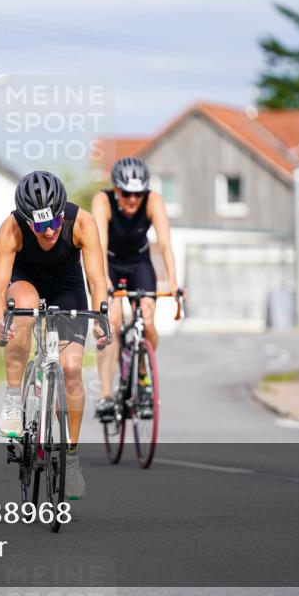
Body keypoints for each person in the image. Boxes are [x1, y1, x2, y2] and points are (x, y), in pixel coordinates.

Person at [0, 170, 110, 500]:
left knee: (71, 370)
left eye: (55, 222)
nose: (49, 231)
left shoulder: (82, 222)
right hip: (25, 280)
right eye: (40, 225)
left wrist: (101, 317)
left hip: (67, 286)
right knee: (22, 310)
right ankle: (13, 401)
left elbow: (97, 279)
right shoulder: (11, 228)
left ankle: (71, 458)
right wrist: (1, 320)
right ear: (27, 221)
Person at [91, 157, 181, 421]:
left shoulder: (154, 201)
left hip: (139, 263)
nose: (133, 199)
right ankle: (106, 395)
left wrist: (173, 282)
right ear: (116, 189)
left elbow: (165, 244)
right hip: (108, 263)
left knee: (148, 321)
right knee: (111, 323)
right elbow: (98, 245)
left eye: (138, 194)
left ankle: (143, 377)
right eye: (126, 193)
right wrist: (105, 283)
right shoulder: (102, 201)